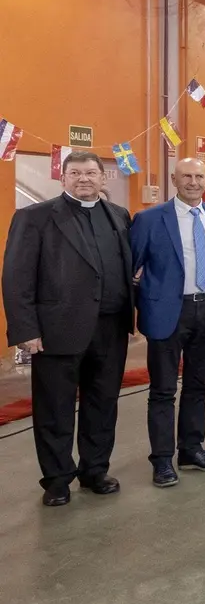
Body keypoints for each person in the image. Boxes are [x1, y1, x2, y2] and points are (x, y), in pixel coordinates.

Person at [2, 151, 134, 506]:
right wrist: (26, 330)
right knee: (55, 408)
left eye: (91, 173)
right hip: (56, 330)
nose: (84, 179)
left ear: (103, 178)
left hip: (110, 329)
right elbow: (16, 278)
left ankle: (95, 470)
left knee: (103, 403)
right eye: (75, 173)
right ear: (63, 178)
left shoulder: (119, 216)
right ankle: (58, 479)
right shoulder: (35, 217)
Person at [131, 157, 205, 487]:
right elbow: (130, 269)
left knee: (199, 386)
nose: (193, 181)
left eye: (199, 176)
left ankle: (191, 448)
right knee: (162, 390)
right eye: (186, 175)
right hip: (168, 314)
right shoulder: (149, 219)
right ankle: (161, 460)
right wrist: (143, 305)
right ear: (174, 179)